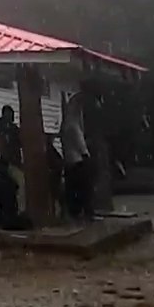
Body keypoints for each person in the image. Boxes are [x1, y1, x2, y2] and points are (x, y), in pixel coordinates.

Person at [61, 92, 94, 221]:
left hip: (69, 162)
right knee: (83, 189)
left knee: (73, 190)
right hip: (78, 162)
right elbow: (81, 145)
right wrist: (87, 155)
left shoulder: (66, 125)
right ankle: (85, 212)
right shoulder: (73, 126)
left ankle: (75, 212)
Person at [0, 105, 25, 214]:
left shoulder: (11, 130)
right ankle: (22, 210)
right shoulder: (5, 131)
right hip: (7, 164)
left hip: (11, 163)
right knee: (23, 181)